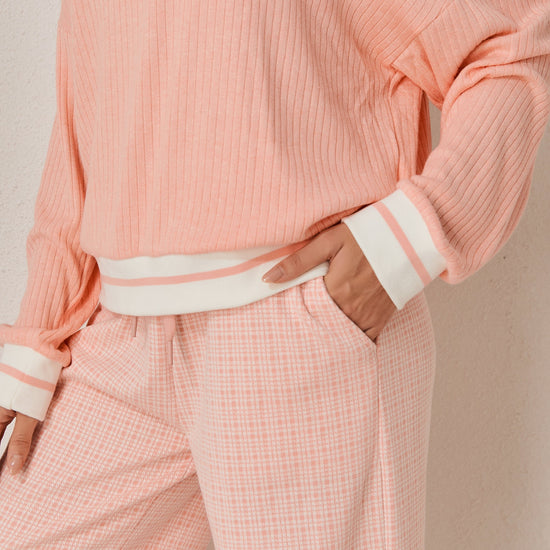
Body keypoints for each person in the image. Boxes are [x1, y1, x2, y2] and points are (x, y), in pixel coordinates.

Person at [0, 0, 548, 548]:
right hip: (122, 334)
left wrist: (414, 235)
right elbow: (82, 125)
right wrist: (38, 334)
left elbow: (509, 42)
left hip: (294, 322)